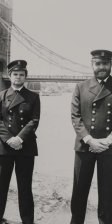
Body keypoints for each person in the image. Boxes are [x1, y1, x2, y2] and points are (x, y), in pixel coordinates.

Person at [0, 60, 40, 224]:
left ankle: (27, 220)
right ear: (10, 76)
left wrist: (19, 138)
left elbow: (34, 120)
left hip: (25, 146)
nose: (18, 77)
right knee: (1, 185)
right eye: (15, 74)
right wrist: (9, 139)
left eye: (21, 75)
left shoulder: (33, 96)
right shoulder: (0, 96)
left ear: (25, 77)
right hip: (4, 146)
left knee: (25, 186)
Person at [70, 49, 112, 224]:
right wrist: (90, 140)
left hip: (109, 147)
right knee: (79, 191)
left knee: (108, 193)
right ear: (92, 65)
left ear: (110, 65)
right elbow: (75, 117)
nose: (101, 67)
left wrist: (109, 140)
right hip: (85, 146)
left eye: (105, 63)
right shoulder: (81, 87)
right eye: (98, 63)